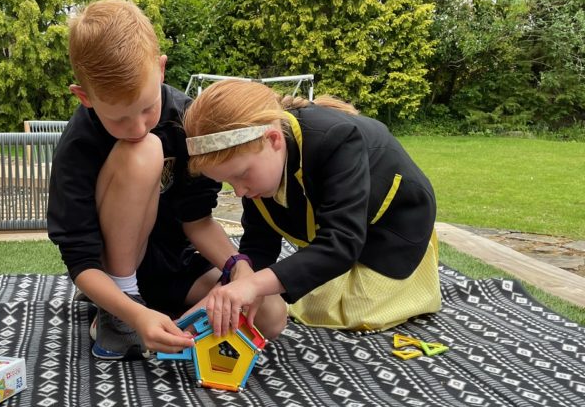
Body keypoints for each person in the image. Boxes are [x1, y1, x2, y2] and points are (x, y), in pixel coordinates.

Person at [46, 0, 287, 360]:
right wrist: (133, 312)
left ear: (160, 70)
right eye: (119, 119)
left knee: (270, 315)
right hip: (112, 272)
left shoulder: (186, 119)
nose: (137, 126)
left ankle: (156, 314)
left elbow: (198, 220)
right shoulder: (81, 143)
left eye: (146, 108)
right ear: (85, 98)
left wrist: (239, 268)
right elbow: (80, 261)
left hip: (175, 264)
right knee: (144, 151)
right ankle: (119, 311)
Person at [182, 80, 442, 337]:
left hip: (393, 231)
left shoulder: (336, 140)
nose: (239, 191)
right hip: (345, 234)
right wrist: (216, 299)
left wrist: (255, 285)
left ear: (273, 140)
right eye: (228, 182)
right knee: (287, 290)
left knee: (343, 311)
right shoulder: (259, 169)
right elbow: (259, 245)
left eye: (241, 175)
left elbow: (341, 244)